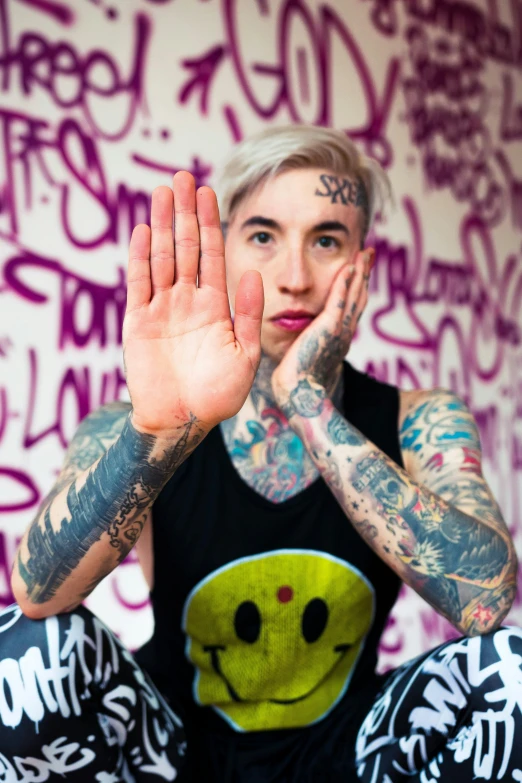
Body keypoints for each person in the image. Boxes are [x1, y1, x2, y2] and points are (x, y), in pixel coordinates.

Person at [3, 125, 521, 782]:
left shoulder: (420, 418)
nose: (296, 276)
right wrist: (159, 431)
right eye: (263, 236)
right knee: (25, 658)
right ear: (223, 253)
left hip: (348, 756)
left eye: (326, 240)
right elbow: (38, 594)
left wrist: (306, 401)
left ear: (361, 263)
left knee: (509, 674)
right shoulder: (134, 425)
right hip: (174, 754)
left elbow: (485, 603)